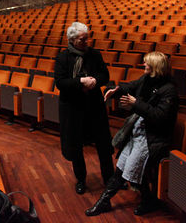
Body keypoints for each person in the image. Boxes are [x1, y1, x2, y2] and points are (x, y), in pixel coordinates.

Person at [85, 51, 179, 216]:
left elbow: (160, 117)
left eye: (147, 63)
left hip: (154, 138)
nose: (144, 65)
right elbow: (131, 86)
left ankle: (109, 201)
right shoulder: (147, 79)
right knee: (122, 166)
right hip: (140, 132)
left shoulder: (169, 90)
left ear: (155, 67)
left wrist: (136, 103)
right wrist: (116, 90)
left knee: (128, 168)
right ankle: (109, 201)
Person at [54, 22, 114, 195]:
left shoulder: (94, 55)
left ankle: (109, 178)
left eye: (87, 38)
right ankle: (81, 180)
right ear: (72, 40)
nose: (87, 42)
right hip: (73, 109)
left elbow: (105, 75)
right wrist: (80, 82)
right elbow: (60, 82)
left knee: (103, 144)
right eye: (82, 39)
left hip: (94, 107)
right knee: (76, 146)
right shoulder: (63, 58)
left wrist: (95, 80)